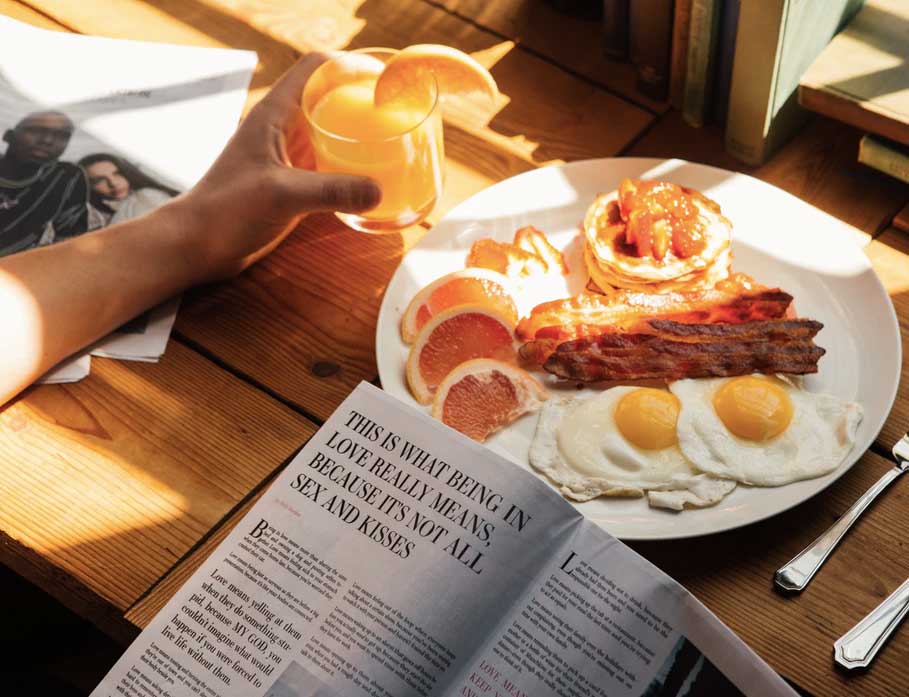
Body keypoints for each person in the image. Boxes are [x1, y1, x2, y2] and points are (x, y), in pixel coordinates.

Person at [0, 54, 381, 405]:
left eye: (58, 137)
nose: (49, 142)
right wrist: (196, 233)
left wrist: (199, 232)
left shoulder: (66, 180)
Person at [0, 110, 90, 255]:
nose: (47, 140)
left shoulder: (65, 177)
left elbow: (71, 241)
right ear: (8, 136)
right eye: (35, 130)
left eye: (62, 136)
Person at [79, 153, 180, 227]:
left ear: (126, 172)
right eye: (99, 180)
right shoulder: (89, 217)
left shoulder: (146, 197)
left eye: (117, 174)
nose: (113, 183)